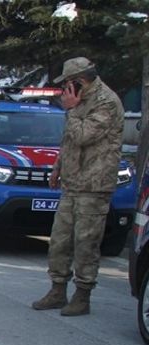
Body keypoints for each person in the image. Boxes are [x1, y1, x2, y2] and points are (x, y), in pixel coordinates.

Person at [32, 57, 126, 317]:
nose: (66, 90)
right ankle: (57, 290)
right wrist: (58, 167)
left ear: (80, 81)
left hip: (94, 184)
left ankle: (82, 295)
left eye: (69, 84)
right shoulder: (79, 103)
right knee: (60, 239)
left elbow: (84, 135)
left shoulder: (106, 101)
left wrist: (72, 109)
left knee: (85, 242)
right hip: (73, 182)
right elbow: (70, 141)